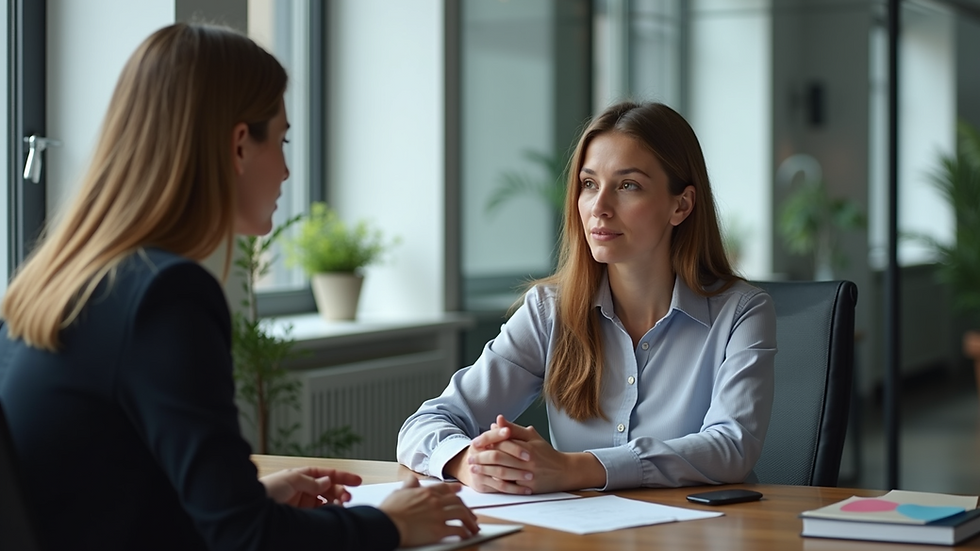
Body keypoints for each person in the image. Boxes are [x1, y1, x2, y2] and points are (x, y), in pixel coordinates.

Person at [0, 23, 477, 551]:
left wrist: (248, 496)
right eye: (283, 139)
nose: (289, 170)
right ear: (239, 145)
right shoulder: (166, 297)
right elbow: (246, 540)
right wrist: (391, 524)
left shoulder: (68, 281)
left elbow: (106, 500)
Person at [397, 101, 777, 494]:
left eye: (628, 186)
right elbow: (425, 424)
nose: (600, 208)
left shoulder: (742, 312)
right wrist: (471, 462)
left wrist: (574, 469)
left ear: (680, 205)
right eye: (589, 184)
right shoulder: (549, 310)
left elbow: (732, 446)